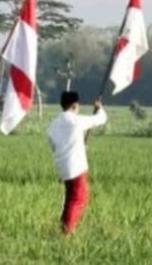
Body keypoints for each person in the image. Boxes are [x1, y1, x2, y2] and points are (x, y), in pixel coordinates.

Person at [47, 91, 107, 234]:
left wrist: (79, 146)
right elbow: (100, 119)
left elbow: (55, 145)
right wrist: (100, 108)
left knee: (71, 199)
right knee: (79, 199)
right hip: (76, 167)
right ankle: (68, 229)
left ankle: (65, 225)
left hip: (63, 167)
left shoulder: (53, 125)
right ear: (74, 105)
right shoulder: (75, 121)